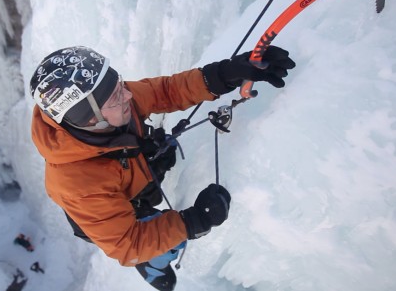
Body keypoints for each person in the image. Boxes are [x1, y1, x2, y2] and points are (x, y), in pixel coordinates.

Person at [30, 46, 295, 291]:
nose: (128, 95)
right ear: (90, 119)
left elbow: (164, 92)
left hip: (127, 170)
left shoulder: (106, 106)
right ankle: (152, 267)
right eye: (115, 98)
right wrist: (194, 221)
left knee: (160, 152)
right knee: (160, 243)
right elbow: (128, 244)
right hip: (108, 214)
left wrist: (224, 74)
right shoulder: (75, 183)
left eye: (120, 84)